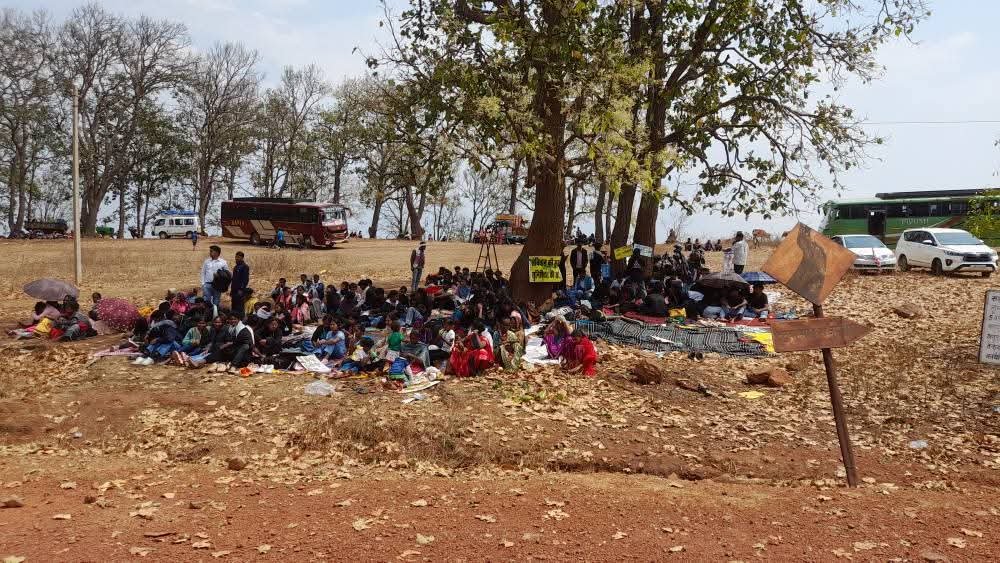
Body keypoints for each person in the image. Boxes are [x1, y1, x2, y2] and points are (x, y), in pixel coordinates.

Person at [231, 251, 250, 319]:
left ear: (242, 258)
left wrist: (241, 289)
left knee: (239, 306)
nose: (236, 258)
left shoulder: (245, 267)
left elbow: (245, 280)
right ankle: (233, 319)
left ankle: (240, 319)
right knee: (234, 305)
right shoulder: (236, 267)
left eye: (238, 257)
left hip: (239, 290)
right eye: (236, 257)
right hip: (234, 290)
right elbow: (234, 280)